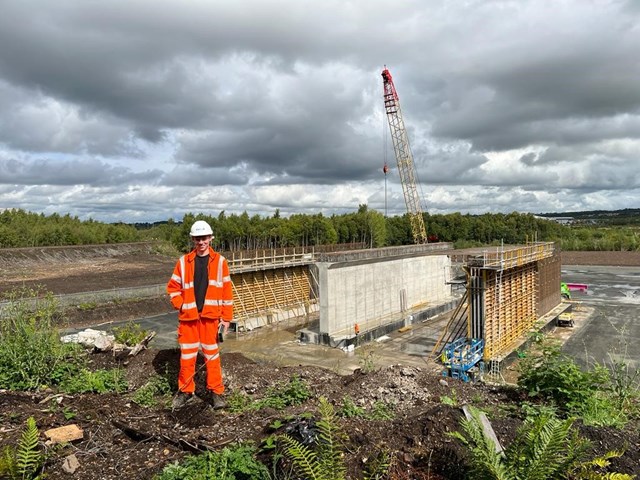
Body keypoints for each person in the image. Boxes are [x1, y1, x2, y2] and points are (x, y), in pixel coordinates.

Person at [166, 220, 233, 410]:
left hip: (210, 319)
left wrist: (226, 319)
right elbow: (172, 289)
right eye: (197, 238)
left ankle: (216, 393)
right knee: (187, 357)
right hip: (189, 320)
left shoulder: (220, 262)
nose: (201, 242)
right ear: (193, 240)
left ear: (211, 238)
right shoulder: (183, 262)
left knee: (212, 357)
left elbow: (227, 292)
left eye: (204, 238)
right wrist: (182, 306)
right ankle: (186, 391)